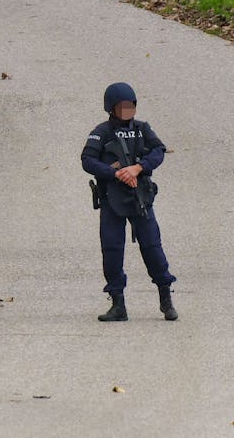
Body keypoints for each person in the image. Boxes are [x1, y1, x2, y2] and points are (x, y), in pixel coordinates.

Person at [81, 81, 177, 322]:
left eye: (130, 105)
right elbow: (87, 160)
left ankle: (166, 298)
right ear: (111, 107)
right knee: (112, 249)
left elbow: (158, 151)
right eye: (122, 106)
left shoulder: (143, 129)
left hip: (140, 197)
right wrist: (114, 173)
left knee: (152, 247)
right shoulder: (101, 132)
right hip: (111, 198)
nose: (127, 110)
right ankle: (117, 304)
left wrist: (137, 168)